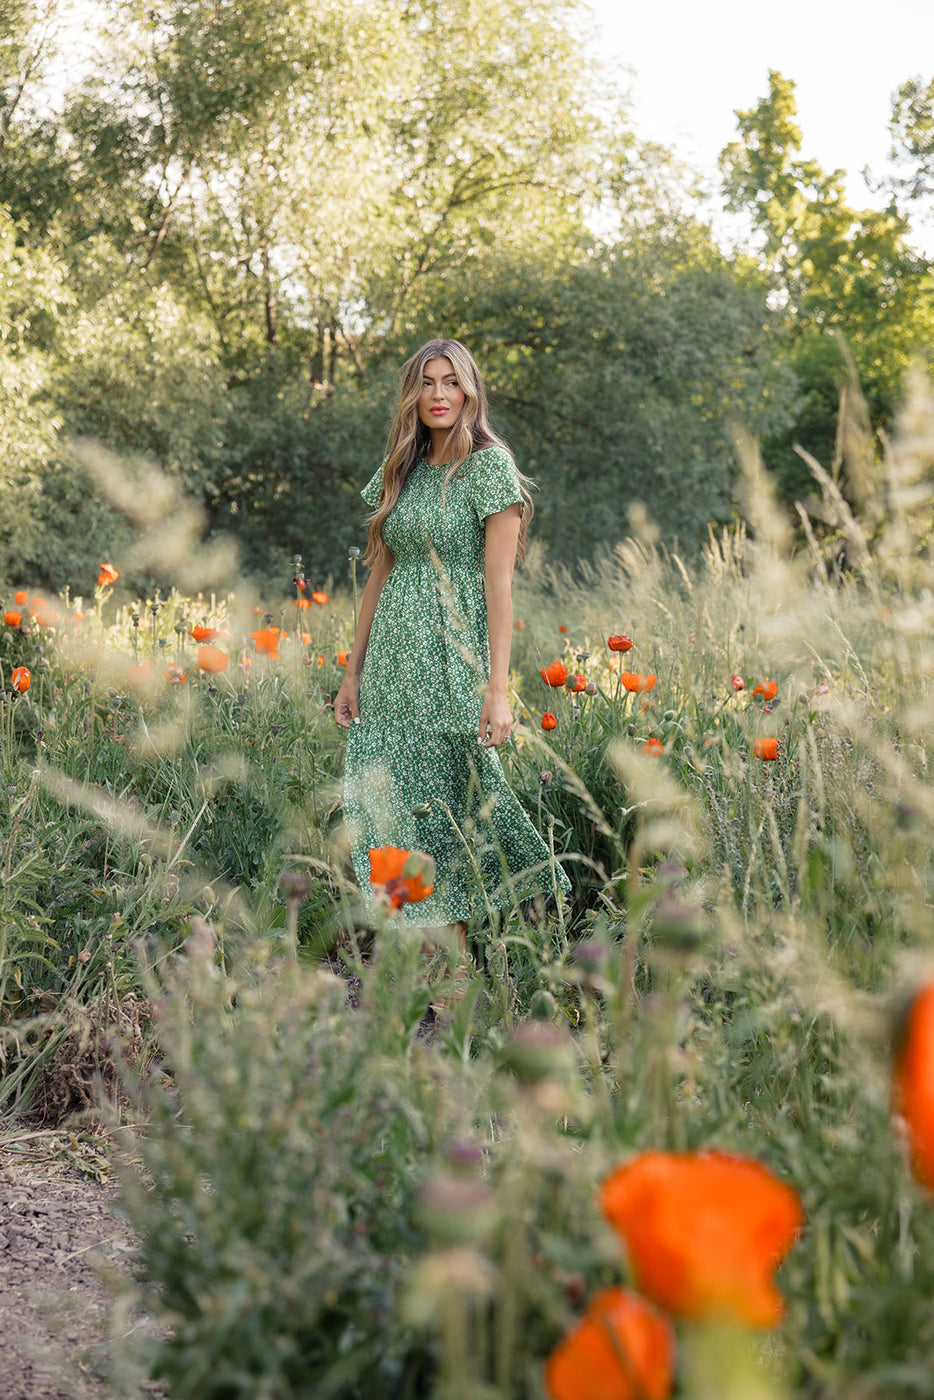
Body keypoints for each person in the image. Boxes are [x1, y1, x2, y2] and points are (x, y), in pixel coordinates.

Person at [334, 337, 571, 929]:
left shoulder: (490, 468)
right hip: (391, 660)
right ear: (412, 395)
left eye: (450, 381)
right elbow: (378, 576)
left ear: (469, 391)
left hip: (450, 655)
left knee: (448, 802)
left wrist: (496, 688)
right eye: (426, 383)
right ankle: (411, 944)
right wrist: (352, 672)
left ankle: (465, 957)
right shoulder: (403, 470)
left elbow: (499, 586)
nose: (438, 394)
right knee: (387, 804)